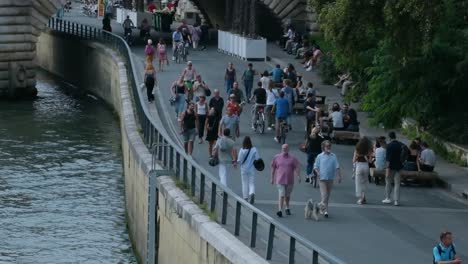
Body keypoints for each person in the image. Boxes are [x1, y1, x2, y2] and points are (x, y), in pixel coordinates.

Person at [271, 144, 301, 217]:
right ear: (281, 149)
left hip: (289, 180)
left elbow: (297, 167)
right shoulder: (276, 157)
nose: (284, 149)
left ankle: (287, 207)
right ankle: (280, 210)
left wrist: (298, 176)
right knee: (281, 194)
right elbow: (273, 168)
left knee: (287, 195)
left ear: (288, 149)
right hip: (280, 180)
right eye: (283, 148)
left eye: (286, 148)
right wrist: (272, 178)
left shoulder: (293, 158)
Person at [314, 140, 342, 218]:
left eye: (329, 146)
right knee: (324, 195)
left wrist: (339, 176)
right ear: (323, 147)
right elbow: (315, 166)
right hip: (322, 178)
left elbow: (337, 166)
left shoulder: (333, 156)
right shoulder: (320, 156)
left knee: (327, 196)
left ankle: (325, 210)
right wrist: (318, 172)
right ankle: (318, 207)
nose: (328, 147)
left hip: (330, 178)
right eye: (327, 146)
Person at [383, 131, 404, 206]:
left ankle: (388, 198)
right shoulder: (400, 144)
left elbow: (388, 159)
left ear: (389, 137)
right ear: (395, 137)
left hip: (391, 167)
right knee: (397, 184)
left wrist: (387, 169)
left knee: (388, 183)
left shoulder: (389, 146)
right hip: (399, 167)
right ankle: (396, 201)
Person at [237, 136, 260, 204]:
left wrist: (236, 162)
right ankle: (252, 192)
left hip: (243, 169)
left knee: (244, 183)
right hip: (251, 168)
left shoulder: (242, 150)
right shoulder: (254, 149)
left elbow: (239, 160)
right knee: (251, 183)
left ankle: (245, 197)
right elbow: (257, 158)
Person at [353, 137, 372, 205]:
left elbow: (354, 160)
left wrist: (359, 156)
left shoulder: (357, 149)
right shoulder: (369, 149)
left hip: (359, 166)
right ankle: (363, 197)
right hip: (366, 166)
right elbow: (370, 161)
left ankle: (361, 198)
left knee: (358, 183)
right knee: (364, 182)